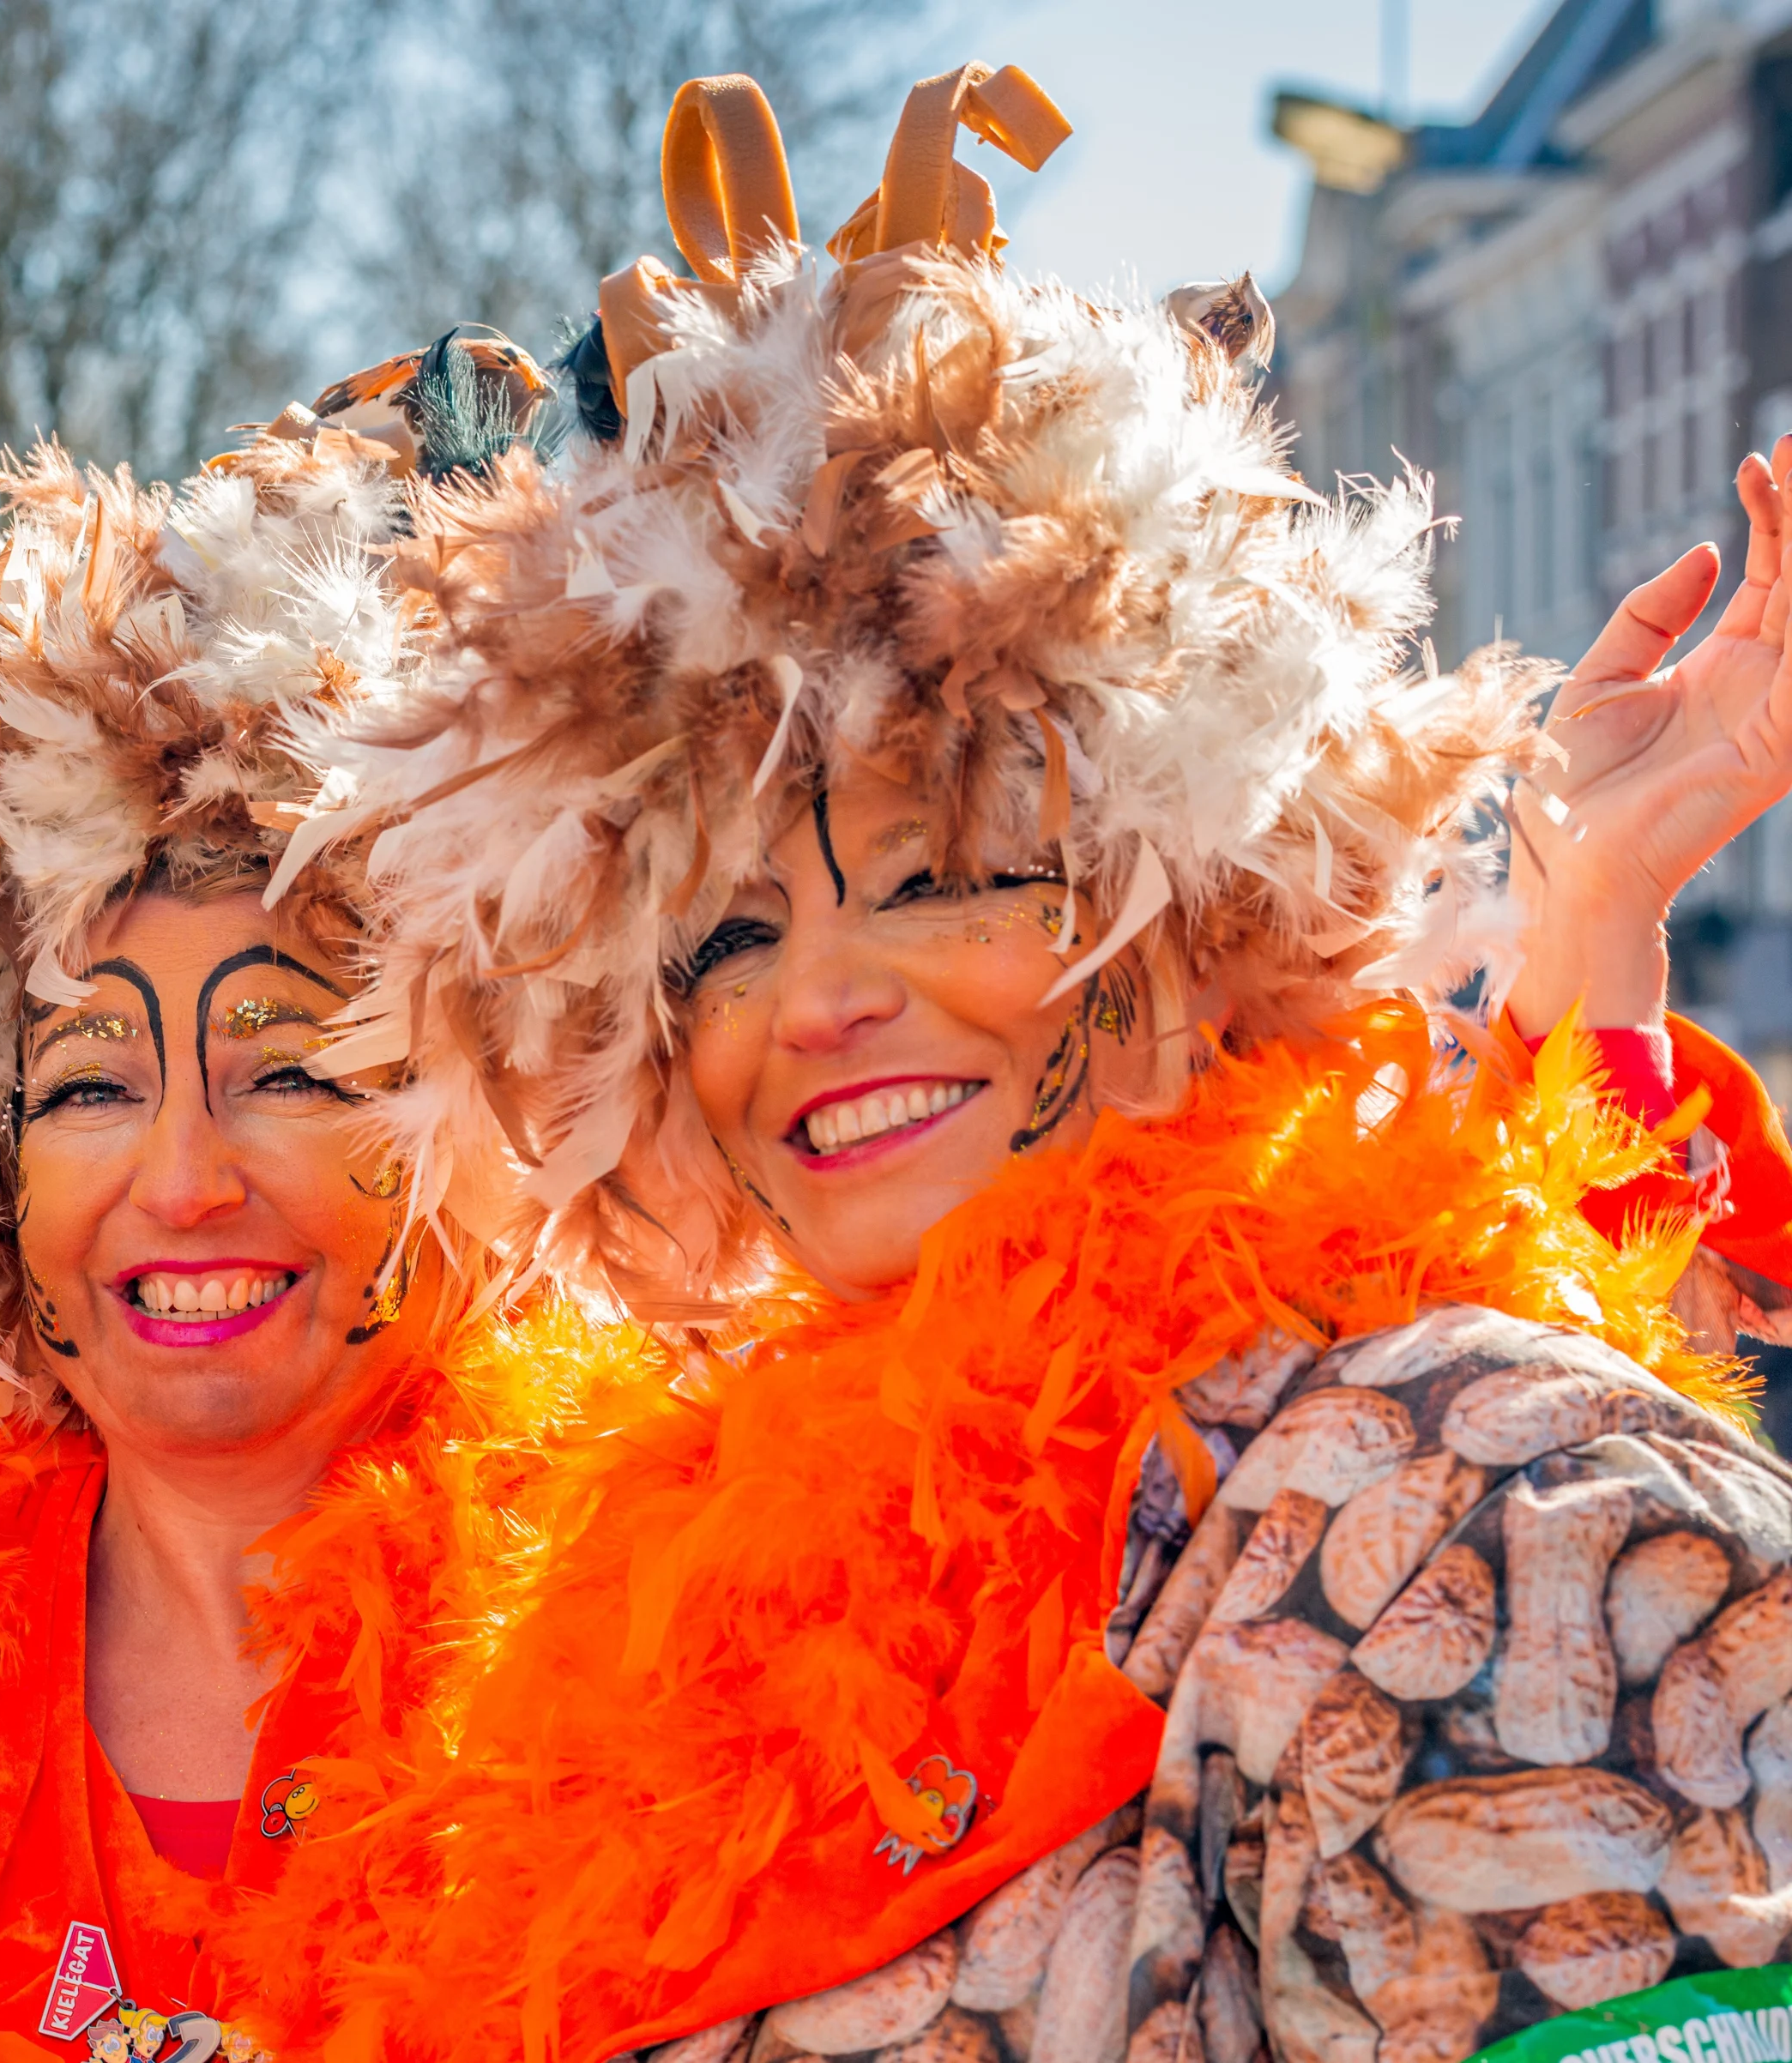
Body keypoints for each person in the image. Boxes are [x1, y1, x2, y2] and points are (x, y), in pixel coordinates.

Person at [202, 64, 1792, 2060]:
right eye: (722, 934)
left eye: (937, 874)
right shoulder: (637, 1589)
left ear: (1168, 904)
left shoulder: (1479, 1499)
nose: (819, 999)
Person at [0, 387, 662, 2060]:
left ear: (484, 1106)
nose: (180, 1176)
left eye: (290, 1065)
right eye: (86, 1085)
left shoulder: (656, 1645)